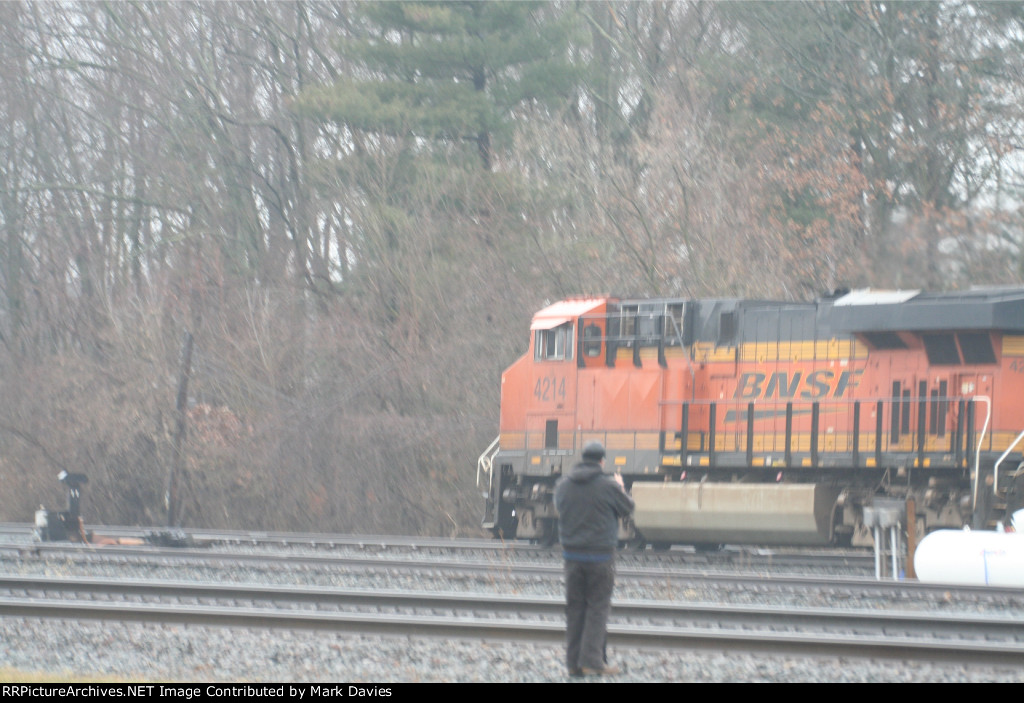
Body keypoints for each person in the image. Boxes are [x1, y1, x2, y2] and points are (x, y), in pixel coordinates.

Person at [554, 440, 635, 677]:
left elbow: (560, 506)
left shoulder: (563, 485)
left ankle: (573, 664)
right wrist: (620, 487)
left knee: (575, 607)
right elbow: (628, 508)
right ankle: (592, 661)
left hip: (571, 557)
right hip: (601, 557)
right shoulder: (608, 486)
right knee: (597, 607)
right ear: (602, 461)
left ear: (582, 458)